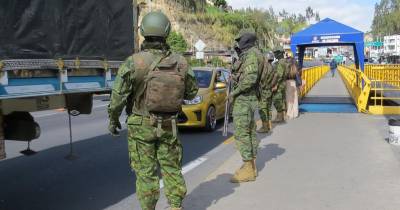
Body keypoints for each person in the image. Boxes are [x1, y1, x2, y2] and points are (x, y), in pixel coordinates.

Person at [107, 11, 198, 210]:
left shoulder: (134, 62)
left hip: (141, 126)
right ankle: (176, 206)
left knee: (146, 173)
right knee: (172, 168)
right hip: (169, 125)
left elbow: (117, 99)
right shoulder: (180, 62)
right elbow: (192, 92)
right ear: (166, 32)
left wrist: (113, 121)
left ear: (143, 32)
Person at [229, 28, 263, 183]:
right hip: (249, 98)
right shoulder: (254, 54)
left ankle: (248, 168)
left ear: (246, 40)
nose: (238, 43)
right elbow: (247, 77)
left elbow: (250, 79)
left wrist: (234, 93)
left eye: (239, 40)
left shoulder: (251, 55)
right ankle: (251, 165)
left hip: (244, 99)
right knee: (250, 131)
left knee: (242, 133)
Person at [257, 51, 277, 133]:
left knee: (262, 109)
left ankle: (265, 127)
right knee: (268, 108)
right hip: (269, 90)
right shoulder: (272, 67)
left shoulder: (265, 67)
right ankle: (269, 125)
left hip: (263, 91)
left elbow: (261, 78)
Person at [271, 47, 288, 123]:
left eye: (275, 53)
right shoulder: (284, 61)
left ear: (279, 53)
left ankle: (280, 117)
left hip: (280, 84)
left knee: (277, 100)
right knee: (282, 99)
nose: (274, 55)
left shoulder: (280, 62)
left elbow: (279, 75)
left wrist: (275, 85)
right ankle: (281, 116)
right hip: (283, 83)